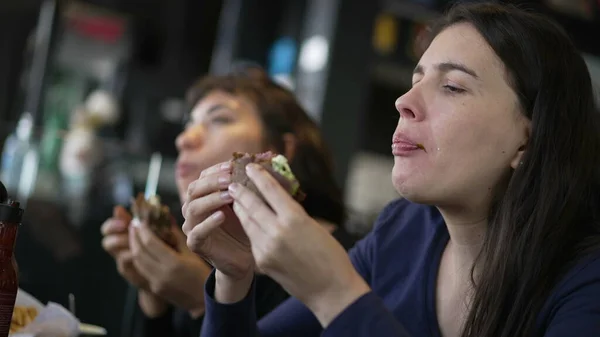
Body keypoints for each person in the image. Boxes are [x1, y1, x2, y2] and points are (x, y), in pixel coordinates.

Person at [183, 3, 600, 337]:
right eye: (415, 80)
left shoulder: (585, 283)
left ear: (528, 139)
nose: (404, 100)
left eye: (452, 86)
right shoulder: (401, 232)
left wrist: (334, 293)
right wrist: (233, 279)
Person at [100, 66, 357, 337]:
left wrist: (207, 301)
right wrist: (153, 294)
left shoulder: (348, 260)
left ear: (281, 151)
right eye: (189, 124)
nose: (184, 139)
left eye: (219, 119)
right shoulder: (192, 250)